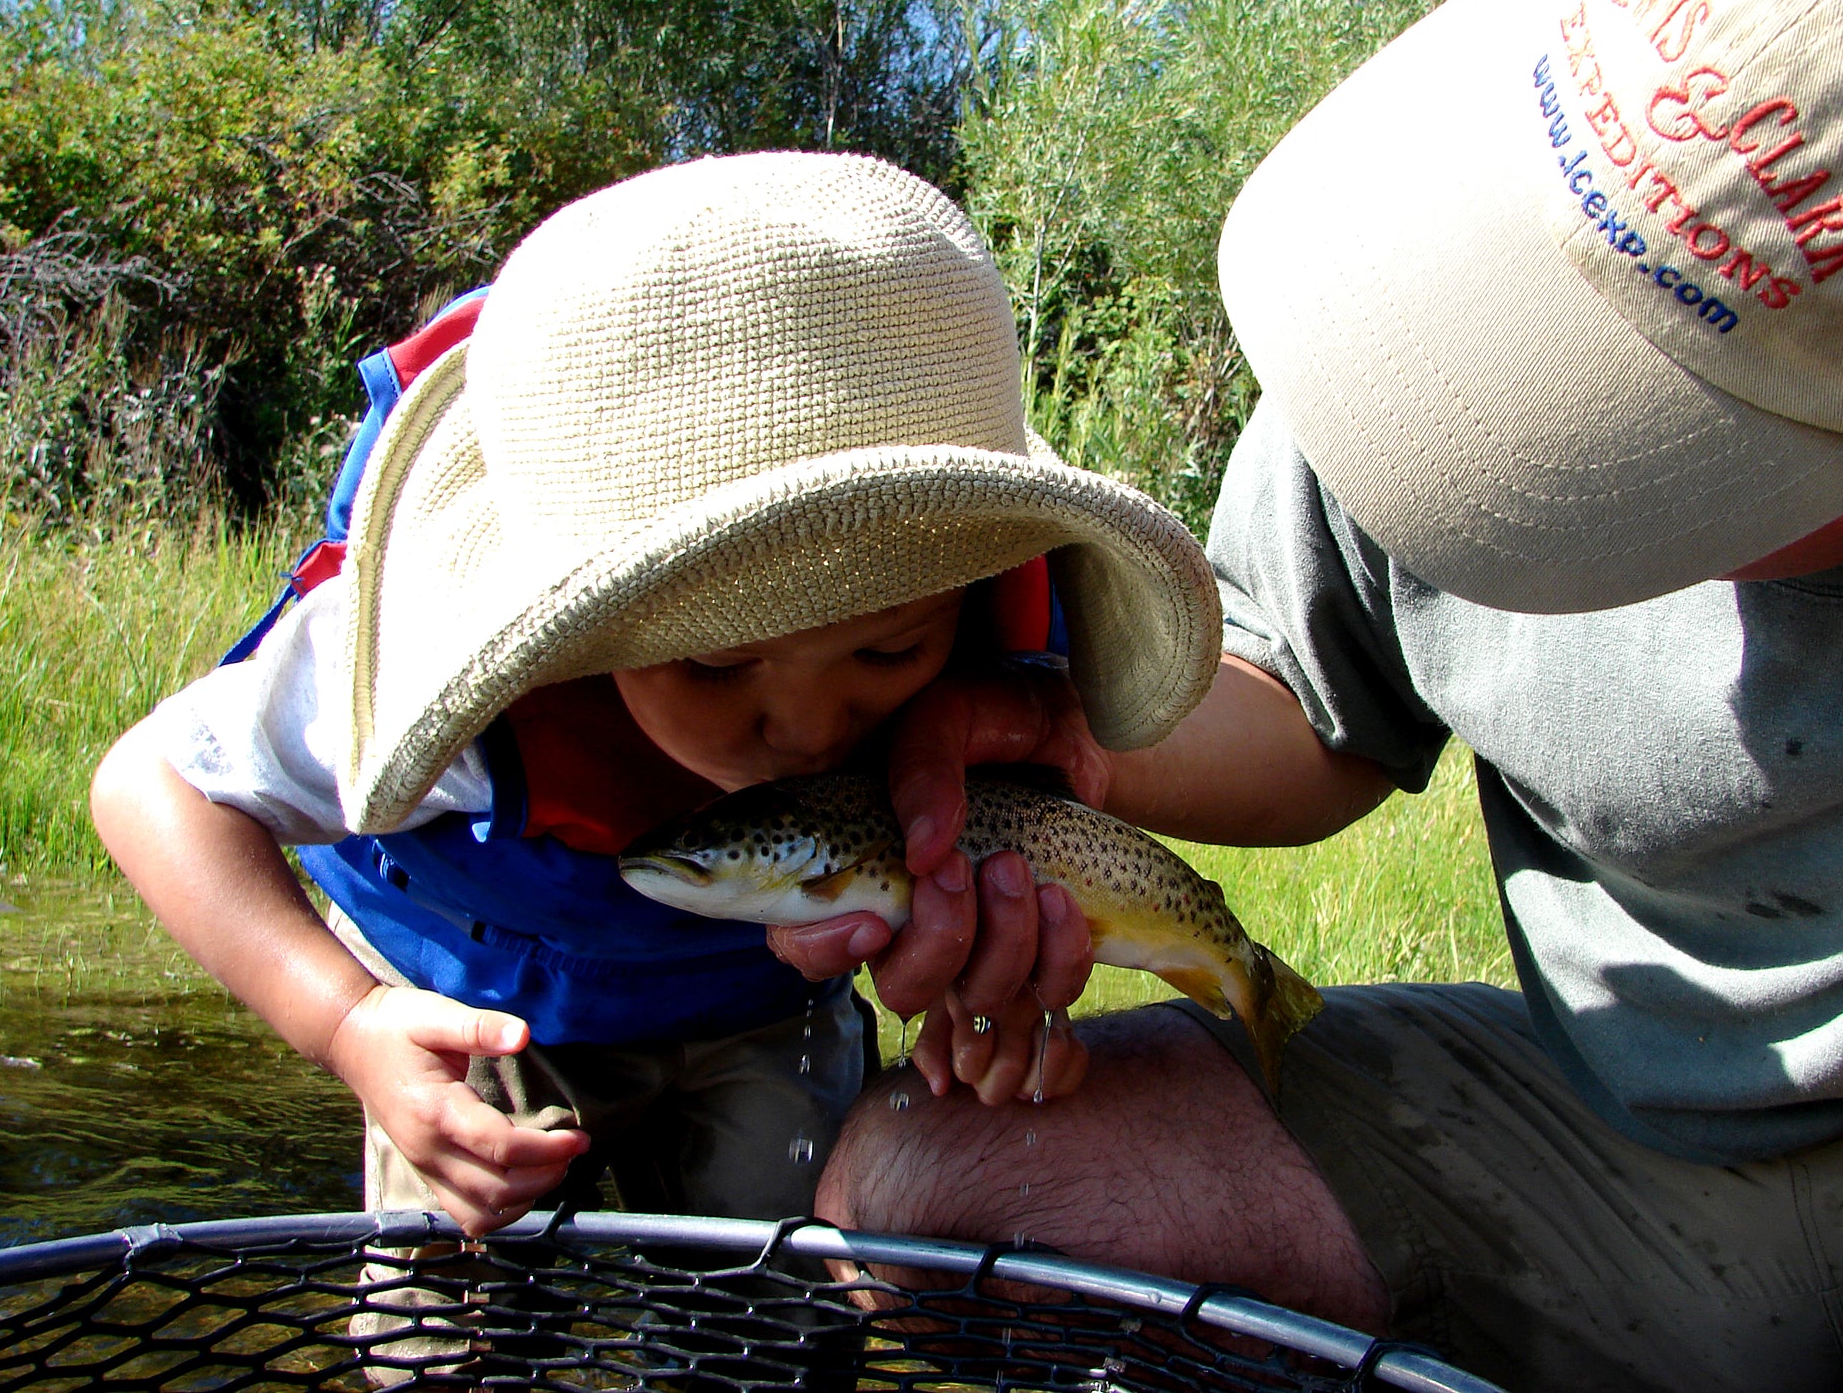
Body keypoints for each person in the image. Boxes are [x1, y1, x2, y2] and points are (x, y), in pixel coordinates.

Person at [771, 0, 1843, 1390]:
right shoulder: (1438, 277)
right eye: (1541, 284)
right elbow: (1305, 692)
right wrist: (1061, 737)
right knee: (914, 1197)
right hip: (1577, 1120)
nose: (1514, 395)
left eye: (1638, 407)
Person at [87, 150, 1221, 1246]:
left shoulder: (987, 639)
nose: (810, 728)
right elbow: (151, 788)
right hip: (476, 1005)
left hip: (763, 1013)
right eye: (714, 667)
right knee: (457, 1322)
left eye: (887, 655)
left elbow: (1018, 882)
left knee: (780, 1308)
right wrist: (346, 1022)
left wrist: (997, 1007)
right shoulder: (452, 675)